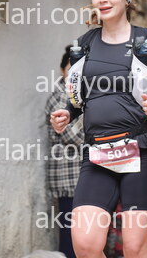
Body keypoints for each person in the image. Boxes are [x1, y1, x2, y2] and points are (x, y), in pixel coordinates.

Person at [50, 0, 147, 258]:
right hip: (98, 154)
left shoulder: (146, 43)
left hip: (141, 152)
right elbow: (78, 98)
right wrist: (67, 113)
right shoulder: (84, 45)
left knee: (135, 249)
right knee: (85, 245)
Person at [44, 45, 85, 258]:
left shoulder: (76, 96)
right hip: (69, 178)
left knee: (83, 232)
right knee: (72, 234)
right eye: (71, 68)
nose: (76, 73)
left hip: (77, 177)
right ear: (62, 70)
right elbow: (71, 136)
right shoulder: (61, 97)